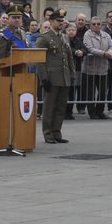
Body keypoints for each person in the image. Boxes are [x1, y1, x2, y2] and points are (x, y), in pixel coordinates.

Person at [37, 9, 75, 143]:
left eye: (62, 21)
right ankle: (48, 133)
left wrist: (72, 74)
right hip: (51, 77)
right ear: (51, 21)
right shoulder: (44, 38)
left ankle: (57, 132)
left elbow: (69, 57)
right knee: (49, 107)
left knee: (60, 107)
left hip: (64, 77)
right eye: (58, 21)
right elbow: (40, 60)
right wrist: (44, 78)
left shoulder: (64, 37)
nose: (61, 23)